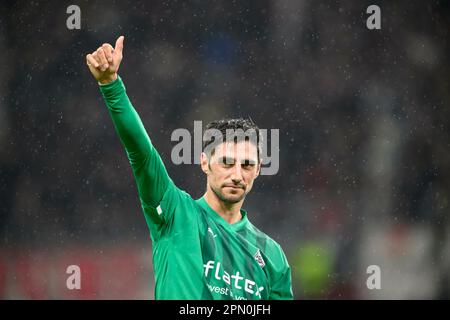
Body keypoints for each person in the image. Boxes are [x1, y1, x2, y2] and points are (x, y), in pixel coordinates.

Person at [85, 36, 293, 300]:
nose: (237, 175)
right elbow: (142, 153)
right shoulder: (175, 213)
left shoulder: (272, 256)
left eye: (247, 165)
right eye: (227, 162)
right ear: (205, 162)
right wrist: (110, 85)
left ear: (259, 170)